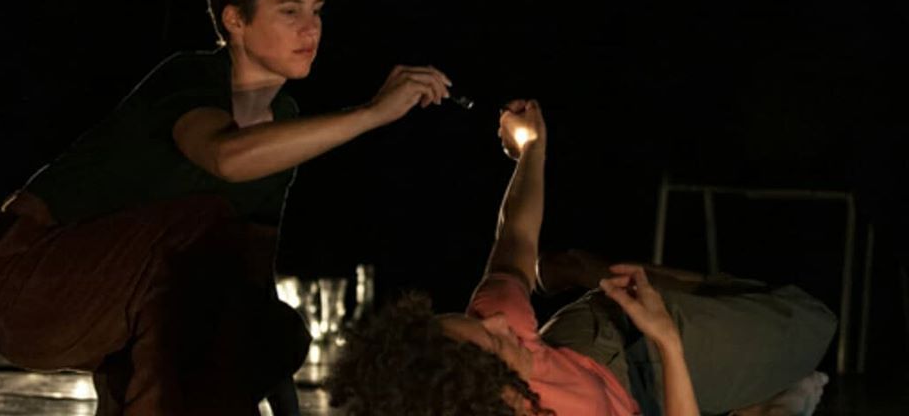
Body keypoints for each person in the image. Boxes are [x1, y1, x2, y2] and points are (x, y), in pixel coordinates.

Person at [0, 0, 452, 416]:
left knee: (271, 324)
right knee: (203, 230)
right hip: (24, 277)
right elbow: (225, 157)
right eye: (290, 11)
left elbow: (250, 271)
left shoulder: (284, 120)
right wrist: (371, 113)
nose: (311, 29)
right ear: (235, 20)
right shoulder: (190, 78)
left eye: (317, 10)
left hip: (121, 301)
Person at [329, 100, 837, 416]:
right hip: (649, 374)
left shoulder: (497, 329)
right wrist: (667, 340)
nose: (500, 323)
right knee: (808, 321)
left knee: (807, 317)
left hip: (606, 341)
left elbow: (514, 244)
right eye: (494, 341)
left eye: (483, 323)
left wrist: (533, 150)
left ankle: (602, 277)